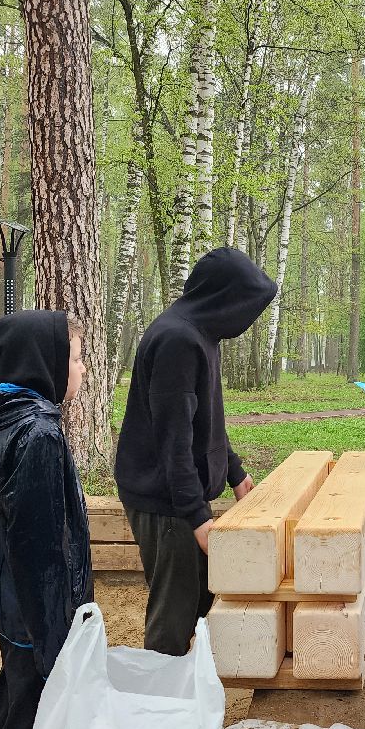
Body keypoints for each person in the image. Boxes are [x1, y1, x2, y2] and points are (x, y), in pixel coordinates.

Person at [115, 247, 277, 656]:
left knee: (202, 601)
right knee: (174, 615)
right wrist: (196, 517)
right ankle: (159, 688)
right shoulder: (177, 340)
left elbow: (205, 423)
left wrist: (234, 472)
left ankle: (187, 682)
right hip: (165, 502)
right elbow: (174, 440)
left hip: (179, 497)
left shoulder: (201, 334)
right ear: (225, 298)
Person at [0, 310, 92, 729]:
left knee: (17, 704)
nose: (82, 370)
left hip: (13, 608)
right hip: (37, 620)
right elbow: (40, 551)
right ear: (47, 363)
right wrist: (55, 643)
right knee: (31, 725)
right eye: (75, 359)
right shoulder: (37, 433)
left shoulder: (8, 418)